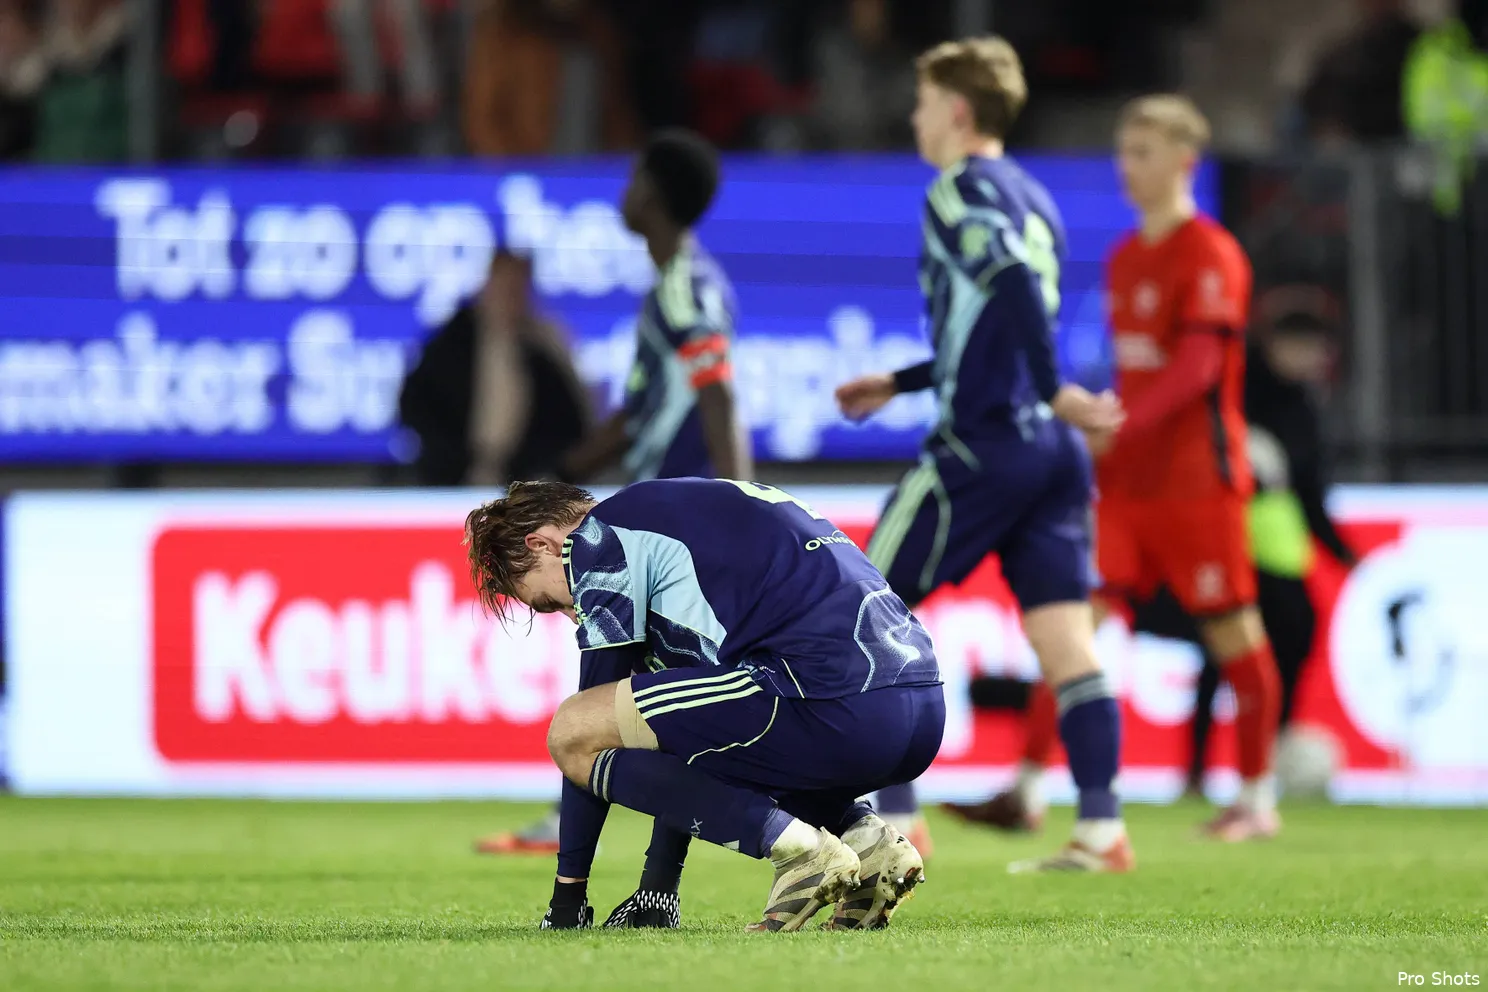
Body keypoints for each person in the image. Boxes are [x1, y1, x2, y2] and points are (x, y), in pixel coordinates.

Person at [833, 36, 1133, 873]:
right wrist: (898, 380)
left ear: (957, 111)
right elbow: (997, 314)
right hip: (1051, 453)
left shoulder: (956, 190)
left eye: (924, 101)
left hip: (986, 443)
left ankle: (897, 819)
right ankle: (1103, 829)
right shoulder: (1035, 196)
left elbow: (1000, 280)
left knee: (861, 607)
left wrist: (1052, 385)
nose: (914, 116)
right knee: (1069, 644)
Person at [955, 96, 1283, 842]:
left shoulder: (1211, 254)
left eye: (1142, 151)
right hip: (1128, 487)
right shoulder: (1125, 256)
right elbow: (1141, 374)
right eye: (1123, 150)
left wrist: (1117, 423)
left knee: (1234, 634)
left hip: (1199, 482)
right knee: (1070, 626)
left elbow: (1199, 368)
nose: (1126, 165)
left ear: (1184, 162)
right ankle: (1028, 788)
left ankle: (1259, 801)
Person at [465, 478, 945, 931]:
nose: (574, 616)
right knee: (698, 710)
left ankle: (801, 852)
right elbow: (685, 736)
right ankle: (867, 842)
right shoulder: (683, 512)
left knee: (572, 730)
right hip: (919, 705)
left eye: (553, 603)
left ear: (543, 544)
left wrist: (568, 897)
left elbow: (592, 723)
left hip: (835, 701)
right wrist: (658, 889)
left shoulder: (597, 540)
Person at [475, 129, 753, 858]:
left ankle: (580, 812)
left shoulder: (688, 285)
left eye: (633, 177)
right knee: (651, 675)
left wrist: (737, 498)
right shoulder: (672, 284)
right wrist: (564, 465)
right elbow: (639, 413)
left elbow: (717, 391)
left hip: (686, 513)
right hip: (669, 504)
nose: (623, 190)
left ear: (654, 194)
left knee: (632, 673)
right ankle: (589, 809)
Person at [398, 250, 589, 487]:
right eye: (504, 283)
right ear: (487, 283)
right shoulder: (451, 344)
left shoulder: (545, 346)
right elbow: (415, 405)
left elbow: (574, 420)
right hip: (455, 483)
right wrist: (455, 461)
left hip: (531, 486)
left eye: (518, 286)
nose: (510, 294)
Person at [462, 0, 637, 156]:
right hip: (531, 174)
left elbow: (616, 112)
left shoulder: (597, 30)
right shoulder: (504, 32)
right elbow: (483, 121)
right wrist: (522, 173)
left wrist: (629, 164)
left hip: (590, 169)